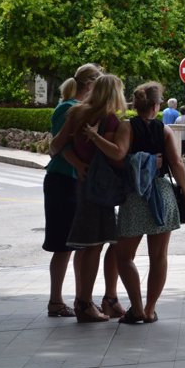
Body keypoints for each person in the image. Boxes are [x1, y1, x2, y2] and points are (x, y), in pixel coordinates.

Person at [85, 82, 185, 324]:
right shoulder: (164, 130)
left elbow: (118, 154)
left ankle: (137, 307)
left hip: (135, 195)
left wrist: (93, 137)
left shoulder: (126, 127)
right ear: (155, 106)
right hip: (162, 194)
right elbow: (176, 163)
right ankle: (151, 309)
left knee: (124, 256)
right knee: (159, 257)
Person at [49, 74, 128, 322]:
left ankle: (95, 300)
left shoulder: (77, 114)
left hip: (83, 186)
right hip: (100, 189)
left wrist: (78, 164)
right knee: (96, 245)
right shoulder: (110, 120)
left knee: (96, 244)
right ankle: (85, 303)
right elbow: (117, 156)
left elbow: (55, 145)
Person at [42, 63, 99, 317]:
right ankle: (56, 300)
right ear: (90, 85)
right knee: (62, 244)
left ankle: (80, 299)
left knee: (80, 243)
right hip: (62, 181)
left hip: (76, 182)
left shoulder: (84, 109)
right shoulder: (67, 109)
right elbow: (57, 146)